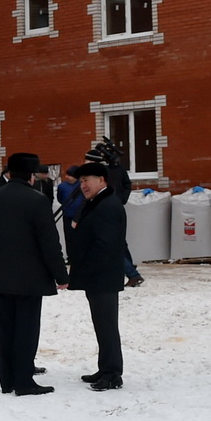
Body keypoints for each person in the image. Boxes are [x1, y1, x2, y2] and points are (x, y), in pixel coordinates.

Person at [0, 152, 68, 395]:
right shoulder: (36, 201)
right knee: (26, 329)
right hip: (30, 279)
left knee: (4, 329)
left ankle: (7, 380)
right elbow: (49, 242)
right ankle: (24, 381)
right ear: (32, 176)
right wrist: (61, 274)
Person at [65, 162, 127, 390]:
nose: (83, 185)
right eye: (81, 181)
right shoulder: (96, 203)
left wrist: (88, 268)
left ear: (102, 180)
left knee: (107, 326)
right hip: (96, 276)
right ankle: (105, 368)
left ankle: (112, 374)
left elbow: (105, 245)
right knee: (102, 325)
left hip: (103, 276)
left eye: (87, 180)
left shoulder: (108, 205)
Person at [85, 139, 145, 286]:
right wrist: (121, 199)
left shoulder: (102, 173)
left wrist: (121, 198)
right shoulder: (115, 169)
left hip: (107, 208)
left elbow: (124, 184)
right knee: (120, 243)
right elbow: (127, 184)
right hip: (116, 206)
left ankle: (132, 273)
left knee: (111, 244)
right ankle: (130, 270)